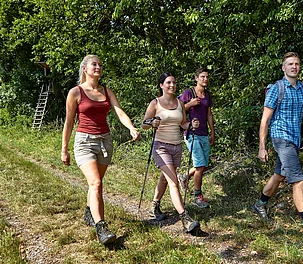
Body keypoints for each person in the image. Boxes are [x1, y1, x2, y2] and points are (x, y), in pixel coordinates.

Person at [254, 52, 303, 242]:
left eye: (297, 64)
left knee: (280, 175)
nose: (294, 67)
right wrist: (262, 146)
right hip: (281, 138)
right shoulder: (276, 89)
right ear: (283, 67)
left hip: (295, 139)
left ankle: (260, 204)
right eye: (290, 64)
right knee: (298, 180)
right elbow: (265, 120)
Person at [61, 55, 140, 245]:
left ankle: (90, 212)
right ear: (85, 69)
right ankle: (101, 228)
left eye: (100, 64)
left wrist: (130, 127)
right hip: (84, 142)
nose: (98, 67)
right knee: (95, 183)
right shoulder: (76, 92)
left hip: (105, 142)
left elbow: (119, 111)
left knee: (96, 183)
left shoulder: (107, 91)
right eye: (94, 64)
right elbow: (69, 122)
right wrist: (64, 148)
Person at [142, 72, 201, 233]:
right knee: (173, 182)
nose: (172, 85)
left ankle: (154, 204)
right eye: (168, 83)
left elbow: (182, 123)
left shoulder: (180, 103)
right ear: (161, 85)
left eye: (174, 82)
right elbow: (144, 124)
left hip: (177, 146)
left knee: (166, 177)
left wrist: (191, 124)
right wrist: (152, 122)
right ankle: (185, 218)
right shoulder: (155, 103)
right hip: (161, 147)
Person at [178, 67, 215, 208]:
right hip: (191, 133)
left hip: (204, 133)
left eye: (207, 77)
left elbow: (209, 114)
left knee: (203, 165)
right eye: (202, 77)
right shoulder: (189, 92)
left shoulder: (208, 95)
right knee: (199, 166)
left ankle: (185, 176)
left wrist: (212, 132)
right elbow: (178, 109)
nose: (205, 79)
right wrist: (190, 104)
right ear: (196, 78)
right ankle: (197, 196)